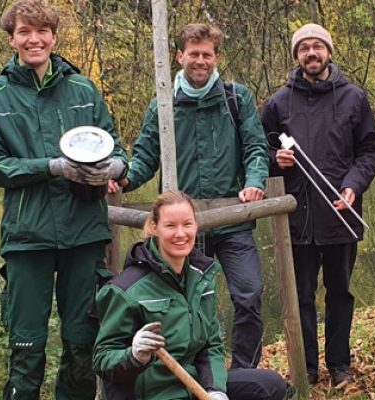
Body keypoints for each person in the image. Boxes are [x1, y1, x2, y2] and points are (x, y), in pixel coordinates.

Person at [0, 1, 127, 398]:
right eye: (24, 32)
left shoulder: (83, 89)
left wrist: (111, 169)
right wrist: (52, 167)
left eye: (41, 31)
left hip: (84, 231)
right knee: (26, 349)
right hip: (28, 235)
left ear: (54, 37)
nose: (34, 39)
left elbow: (116, 149)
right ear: (12, 39)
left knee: (82, 345)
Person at [109, 23, 269, 369]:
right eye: (193, 54)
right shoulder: (162, 106)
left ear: (216, 58)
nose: (200, 61)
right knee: (185, 305)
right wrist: (123, 180)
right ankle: (193, 377)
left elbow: (256, 148)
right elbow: (145, 159)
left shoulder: (236, 99)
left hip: (232, 220)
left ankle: (243, 374)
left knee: (249, 294)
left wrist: (255, 181)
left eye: (207, 55)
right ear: (180, 56)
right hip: (182, 228)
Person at [261, 24, 375, 386]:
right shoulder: (277, 103)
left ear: (329, 52)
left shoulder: (353, 99)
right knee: (300, 296)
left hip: (340, 214)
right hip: (296, 217)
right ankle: (307, 367)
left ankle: (340, 364)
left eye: (317, 46)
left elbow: (370, 151)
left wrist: (353, 185)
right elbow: (258, 150)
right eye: (304, 48)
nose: (311, 53)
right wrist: (275, 159)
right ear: (297, 56)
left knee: (340, 292)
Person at [93, 191, 290, 400]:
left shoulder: (201, 278)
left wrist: (215, 389)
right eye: (170, 225)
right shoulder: (124, 290)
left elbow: (211, 345)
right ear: (154, 227)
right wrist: (134, 356)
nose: (180, 234)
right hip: (153, 394)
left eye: (187, 224)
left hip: (194, 385)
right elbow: (102, 360)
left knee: (270, 386)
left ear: (196, 225)